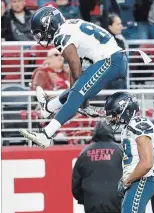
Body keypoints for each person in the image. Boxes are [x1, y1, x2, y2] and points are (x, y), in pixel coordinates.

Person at [19, 6, 128, 148]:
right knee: (77, 89)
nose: (41, 37)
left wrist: (82, 99)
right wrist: (80, 96)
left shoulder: (60, 35)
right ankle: (50, 106)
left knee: (77, 91)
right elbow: (75, 65)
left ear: (49, 24)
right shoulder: (70, 25)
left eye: (41, 32)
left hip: (112, 60)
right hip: (114, 59)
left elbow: (75, 65)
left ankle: (46, 134)